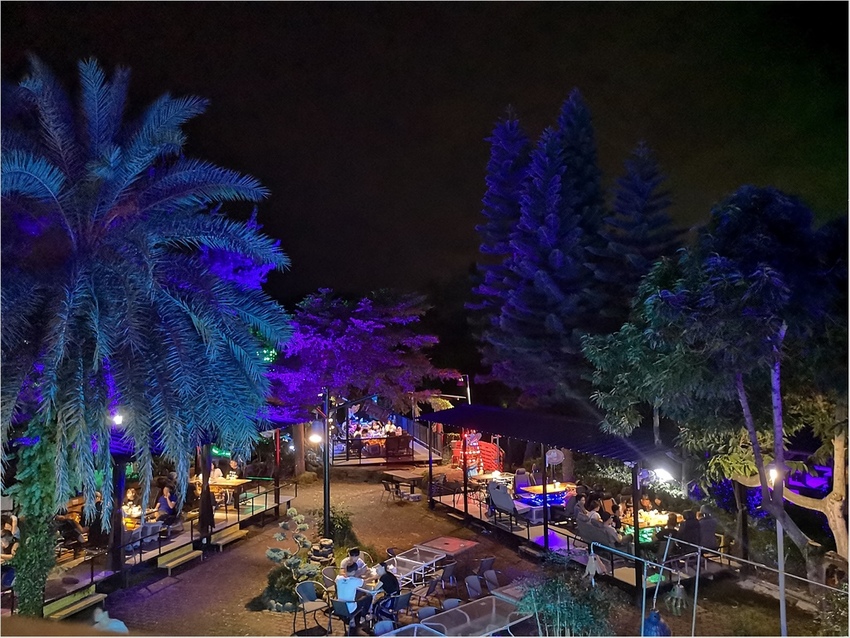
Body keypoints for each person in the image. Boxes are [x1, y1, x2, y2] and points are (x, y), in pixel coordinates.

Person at [335, 562, 371, 629]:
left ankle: (352, 620)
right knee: (368, 596)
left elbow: (339, 579)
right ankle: (363, 617)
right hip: (350, 609)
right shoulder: (355, 581)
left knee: (354, 595)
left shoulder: (338, 578)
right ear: (354, 571)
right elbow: (364, 585)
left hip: (338, 608)